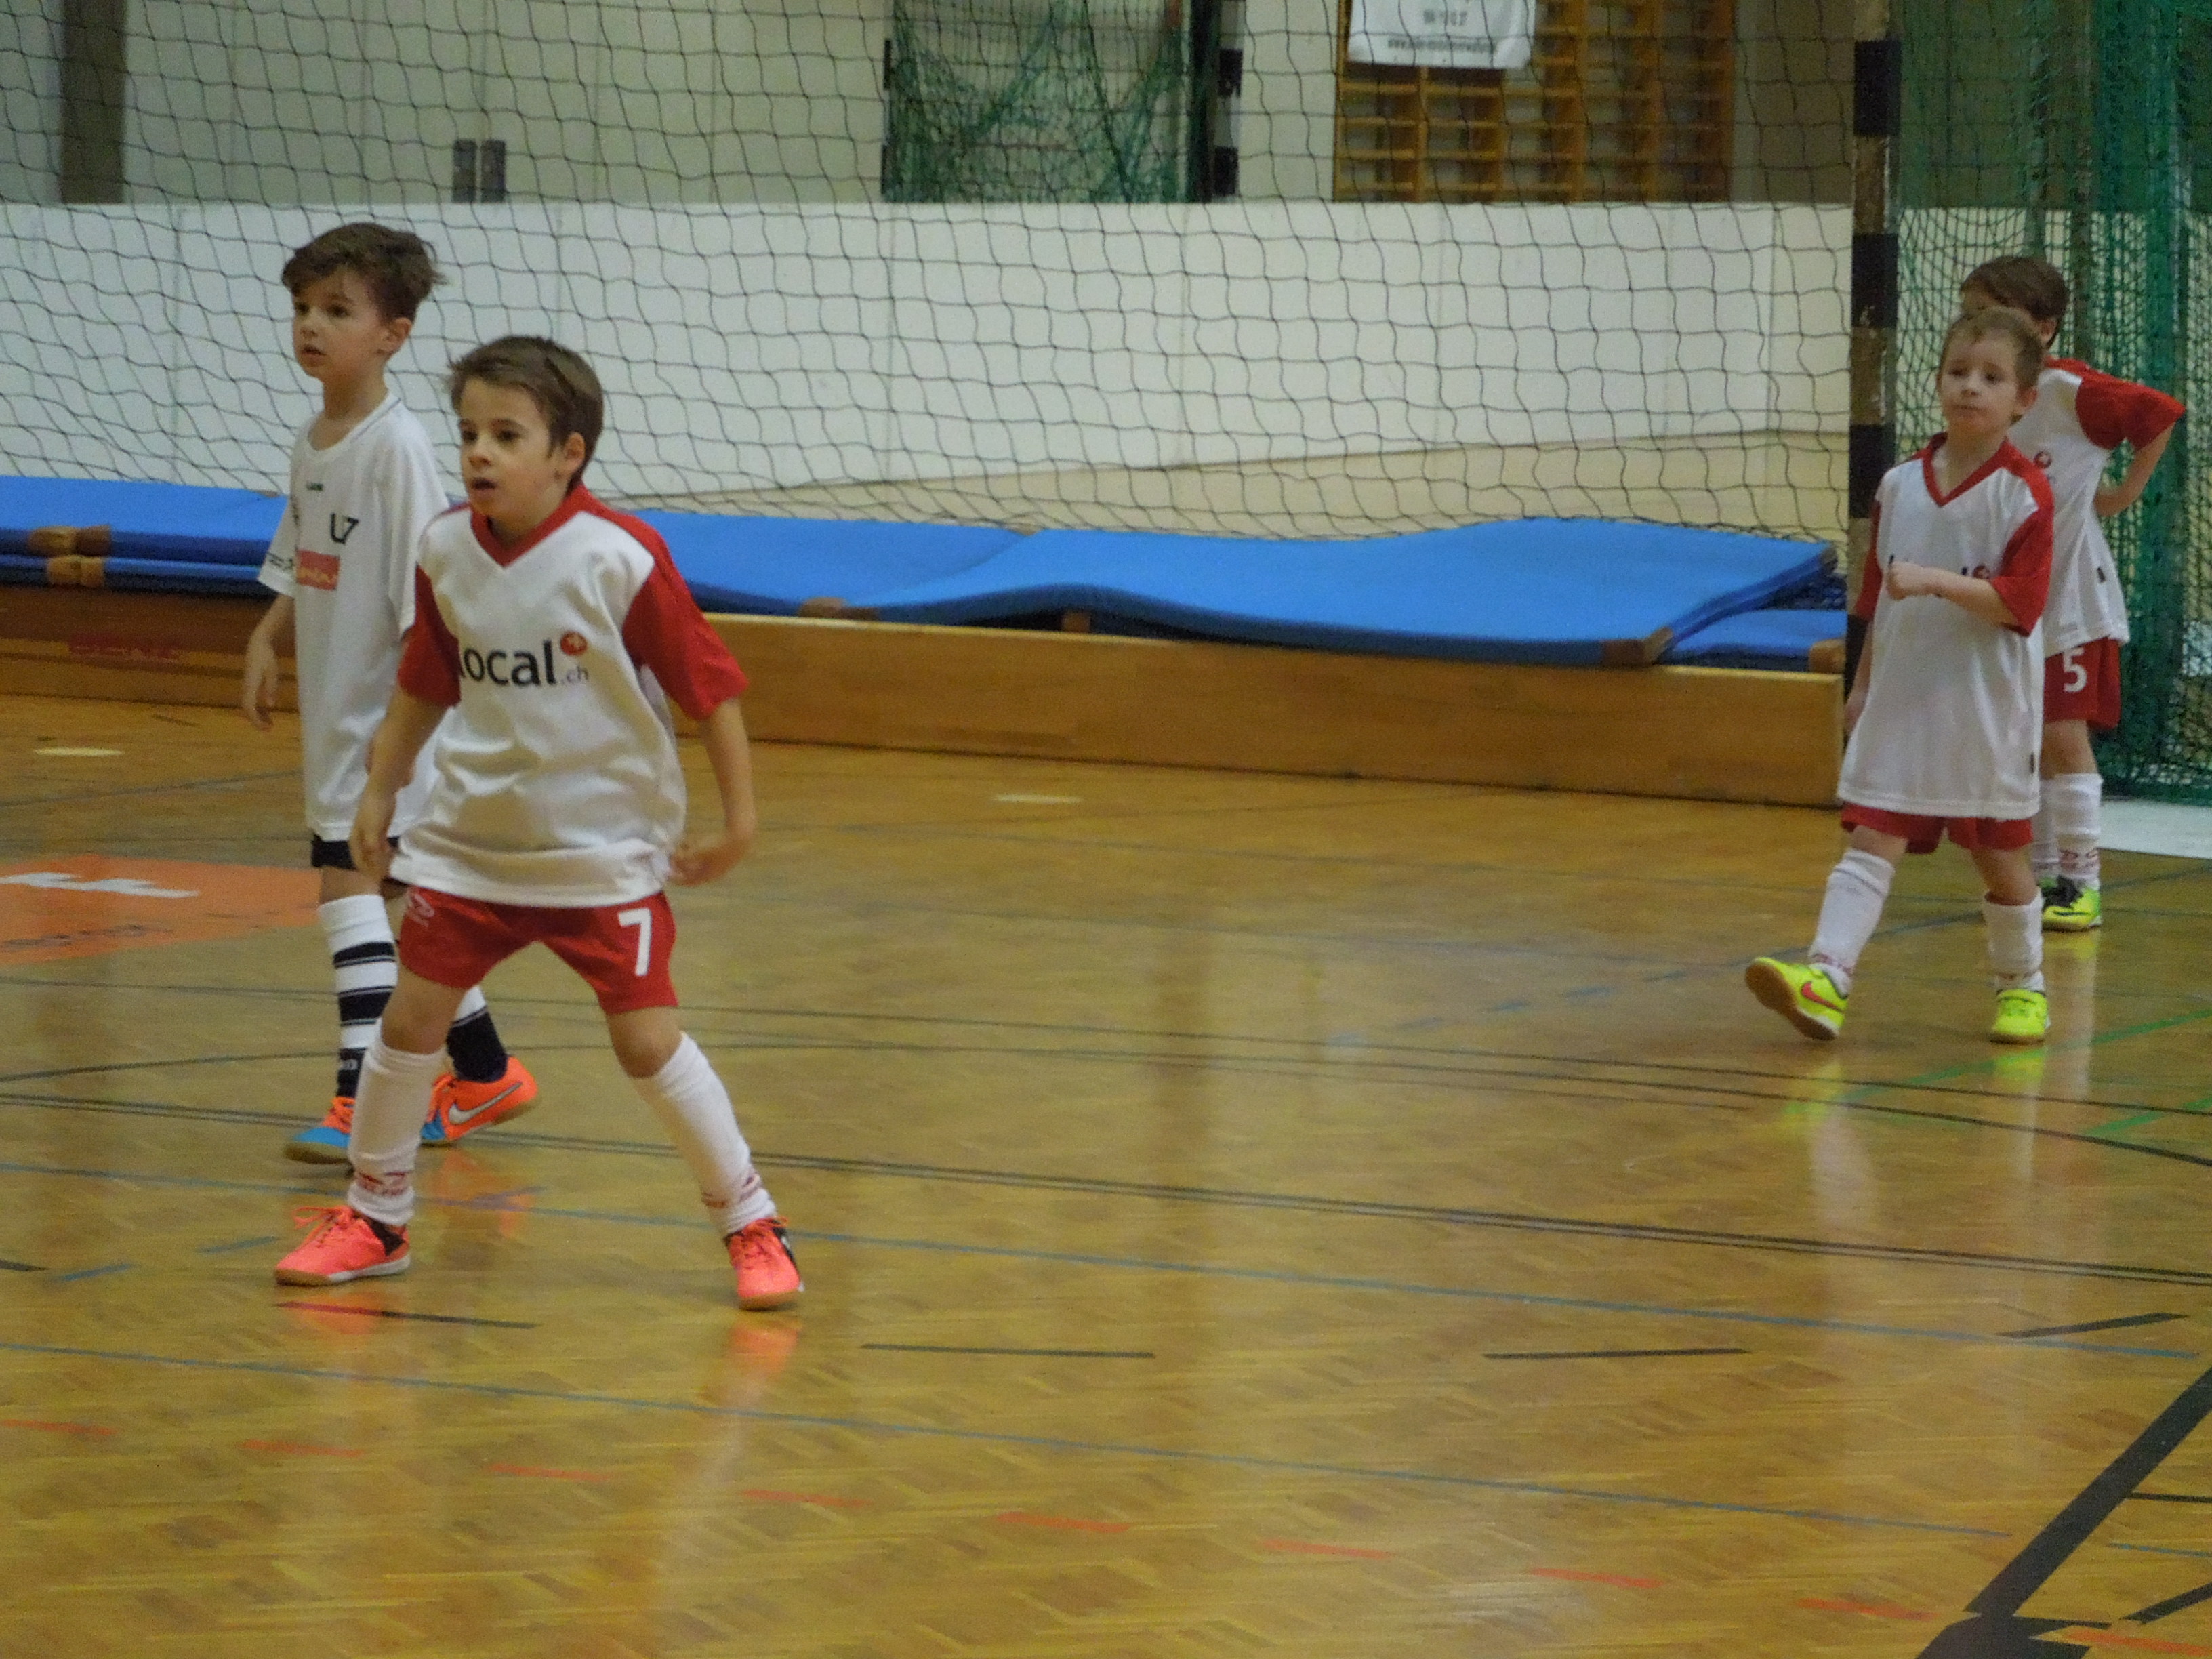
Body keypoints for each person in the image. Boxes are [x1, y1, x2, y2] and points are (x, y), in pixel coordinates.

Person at [273, 334, 802, 1311]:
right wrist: (381, 793)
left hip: (599, 857)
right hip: (471, 848)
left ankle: (751, 1220)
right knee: (409, 1022)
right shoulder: (445, 549)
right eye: (470, 433)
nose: (479, 452)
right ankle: (376, 1217)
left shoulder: (619, 557)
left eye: (506, 435)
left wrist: (739, 821)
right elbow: (424, 682)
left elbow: (710, 690)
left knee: (647, 1045)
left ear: (569, 453)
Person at [242, 222, 537, 1163]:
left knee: (347, 890)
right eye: (302, 308)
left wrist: (404, 738)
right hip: (337, 718)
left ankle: (359, 1102)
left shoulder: (398, 448)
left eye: (337, 310)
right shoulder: (314, 440)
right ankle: (486, 1074)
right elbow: (302, 548)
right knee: (406, 906)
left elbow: (431, 596)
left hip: (382, 725)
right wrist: (267, 633)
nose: (311, 326)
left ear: (392, 336)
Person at [1747, 306, 2055, 1044]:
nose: (1970, 387)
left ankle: (2024, 986)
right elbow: (1877, 600)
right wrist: (1863, 687)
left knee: (1998, 855)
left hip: (1985, 706)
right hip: (1903, 696)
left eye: (1991, 377)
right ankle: (1827, 979)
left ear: (2023, 400)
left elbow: (2020, 604)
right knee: (1873, 835)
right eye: (1958, 372)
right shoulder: (1897, 486)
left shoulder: (2024, 496)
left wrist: (1939, 582)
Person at [1960, 255, 2186, 933]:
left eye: (1995, 314)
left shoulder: (2067, 390)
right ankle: (2042, 879)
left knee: (2063, 735)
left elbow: (2160, 412)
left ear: (2044, 328)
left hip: (2070, 600)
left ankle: (2082, 883)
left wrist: (2122, 492)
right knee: (2022, 740)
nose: (1980, 327)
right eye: (1970, 314)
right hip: (2011, 599)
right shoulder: (1983, 395)